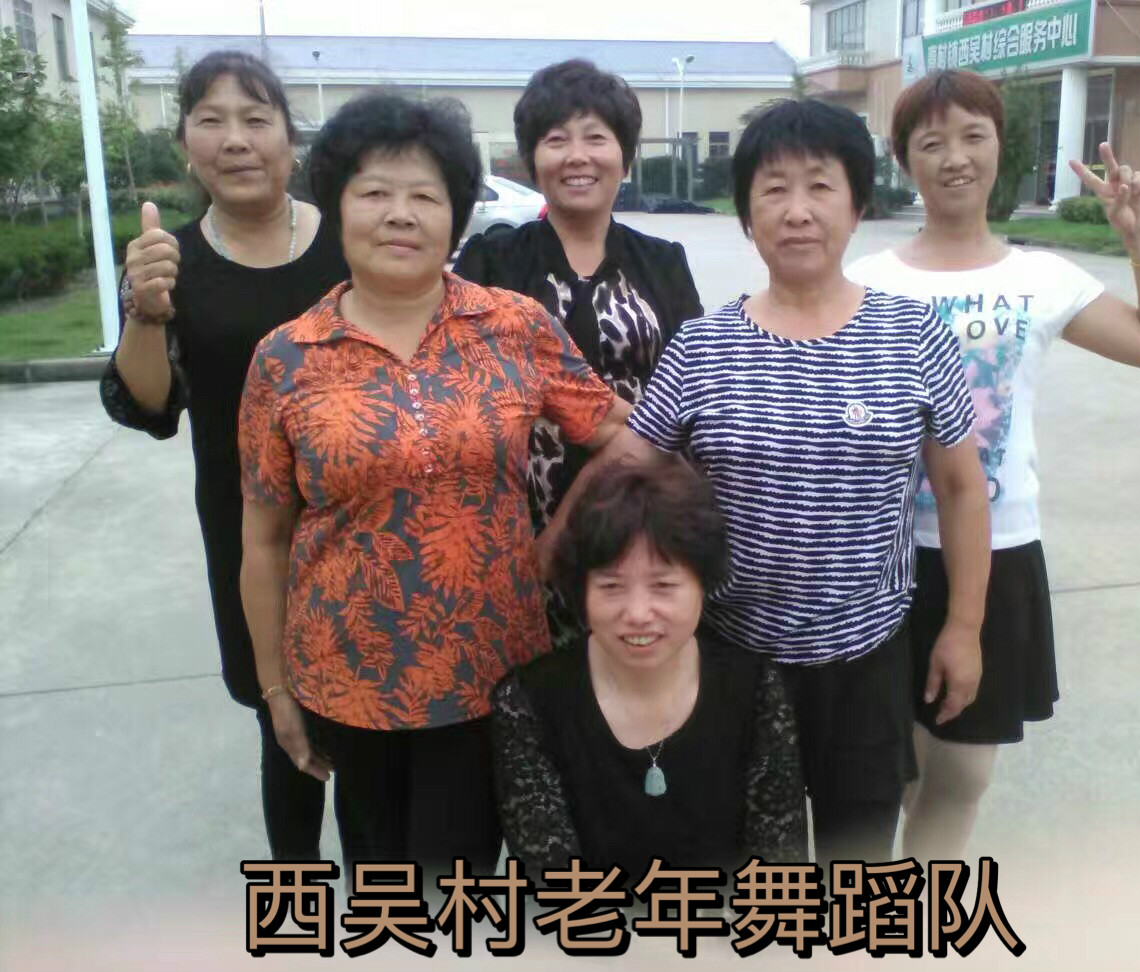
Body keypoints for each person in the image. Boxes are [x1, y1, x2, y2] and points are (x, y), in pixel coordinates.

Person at [544, 98, 991, 866]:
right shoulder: (703, 346)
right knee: (757, 871)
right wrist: (548, 549)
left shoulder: (915, 335)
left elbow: (959, 489)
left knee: (858, 865)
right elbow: (628, 462)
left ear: (857, 206)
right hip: (733, 661)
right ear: (747, 217)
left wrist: (963, 628)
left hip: (867, 653)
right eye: (773, 190)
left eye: (820, 187)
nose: (797, 211)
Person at [237, 91, 630, 877]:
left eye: (425, 195)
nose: (399, 214)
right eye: (374, 193)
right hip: (347, 677)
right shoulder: (286, 357)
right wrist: (276, 690)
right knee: (384, 886)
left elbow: (619, 434)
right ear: (337, 206)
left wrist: (559, 532)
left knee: (464, 881)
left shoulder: (514, 325)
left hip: (492, 670)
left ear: (455, 216)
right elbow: (265, 539)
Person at [846, 69, 1140, 862]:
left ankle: (924, 918)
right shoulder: (865, 282)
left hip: (999, 554)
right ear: (904, 161)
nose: (955, 158)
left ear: (1000, 147)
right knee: (890, 774)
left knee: (962, 776)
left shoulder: (1040, 278)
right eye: (931, 143)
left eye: (973, 136)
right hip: (882, 559)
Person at [99, 50, 348, 861]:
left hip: (365, 521)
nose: (235, 139)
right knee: (281, 717)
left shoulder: (349, 240)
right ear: (185, 148)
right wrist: (146, 311)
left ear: (289, 140)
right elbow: (147, 406)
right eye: (211, 121)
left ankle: (383, 888)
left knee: (374, 720)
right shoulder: (168, 260)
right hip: (247, 530)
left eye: (255, 119)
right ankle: (297, 891)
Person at [454, 58, 704, 651]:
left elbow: (692, 396)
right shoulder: (492, 261)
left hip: (641, 517)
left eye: (596, 137)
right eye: (556, 140)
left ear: (625, 156)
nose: (577, 156)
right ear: (531, 157)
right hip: (518, 525)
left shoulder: (662, 262)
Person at [492, 462, 807, 882]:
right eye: (611, 587)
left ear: (702, 583)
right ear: (581, 591)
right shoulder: (528, 703)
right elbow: (554, 879)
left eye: (663, 586)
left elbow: (778, 869)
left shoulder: (755, 690)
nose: (638, 613)